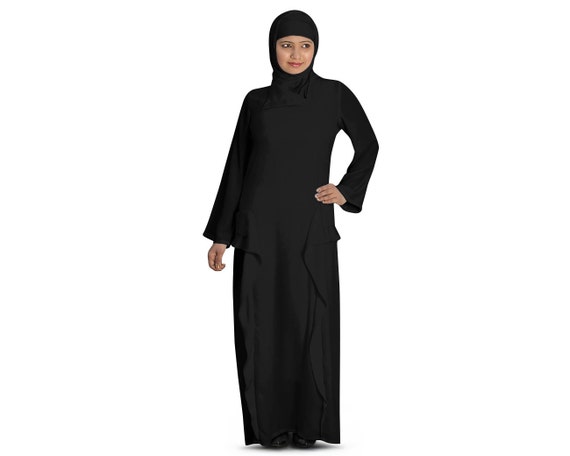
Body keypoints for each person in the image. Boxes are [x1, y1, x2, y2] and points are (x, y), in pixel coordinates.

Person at [203, 10, 379, 448]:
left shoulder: (334, 95)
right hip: (258, 233)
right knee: (261, 327)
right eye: (286, 45)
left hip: (309, 232)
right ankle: (270, 429)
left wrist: (345, 190)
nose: (296, 54)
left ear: (316, 50)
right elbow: (237, 167)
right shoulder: (255, 102)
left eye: (305, 45)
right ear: (272, 48)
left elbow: (368, 144)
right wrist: (222, 235)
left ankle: (310, 427)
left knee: (309, 326)